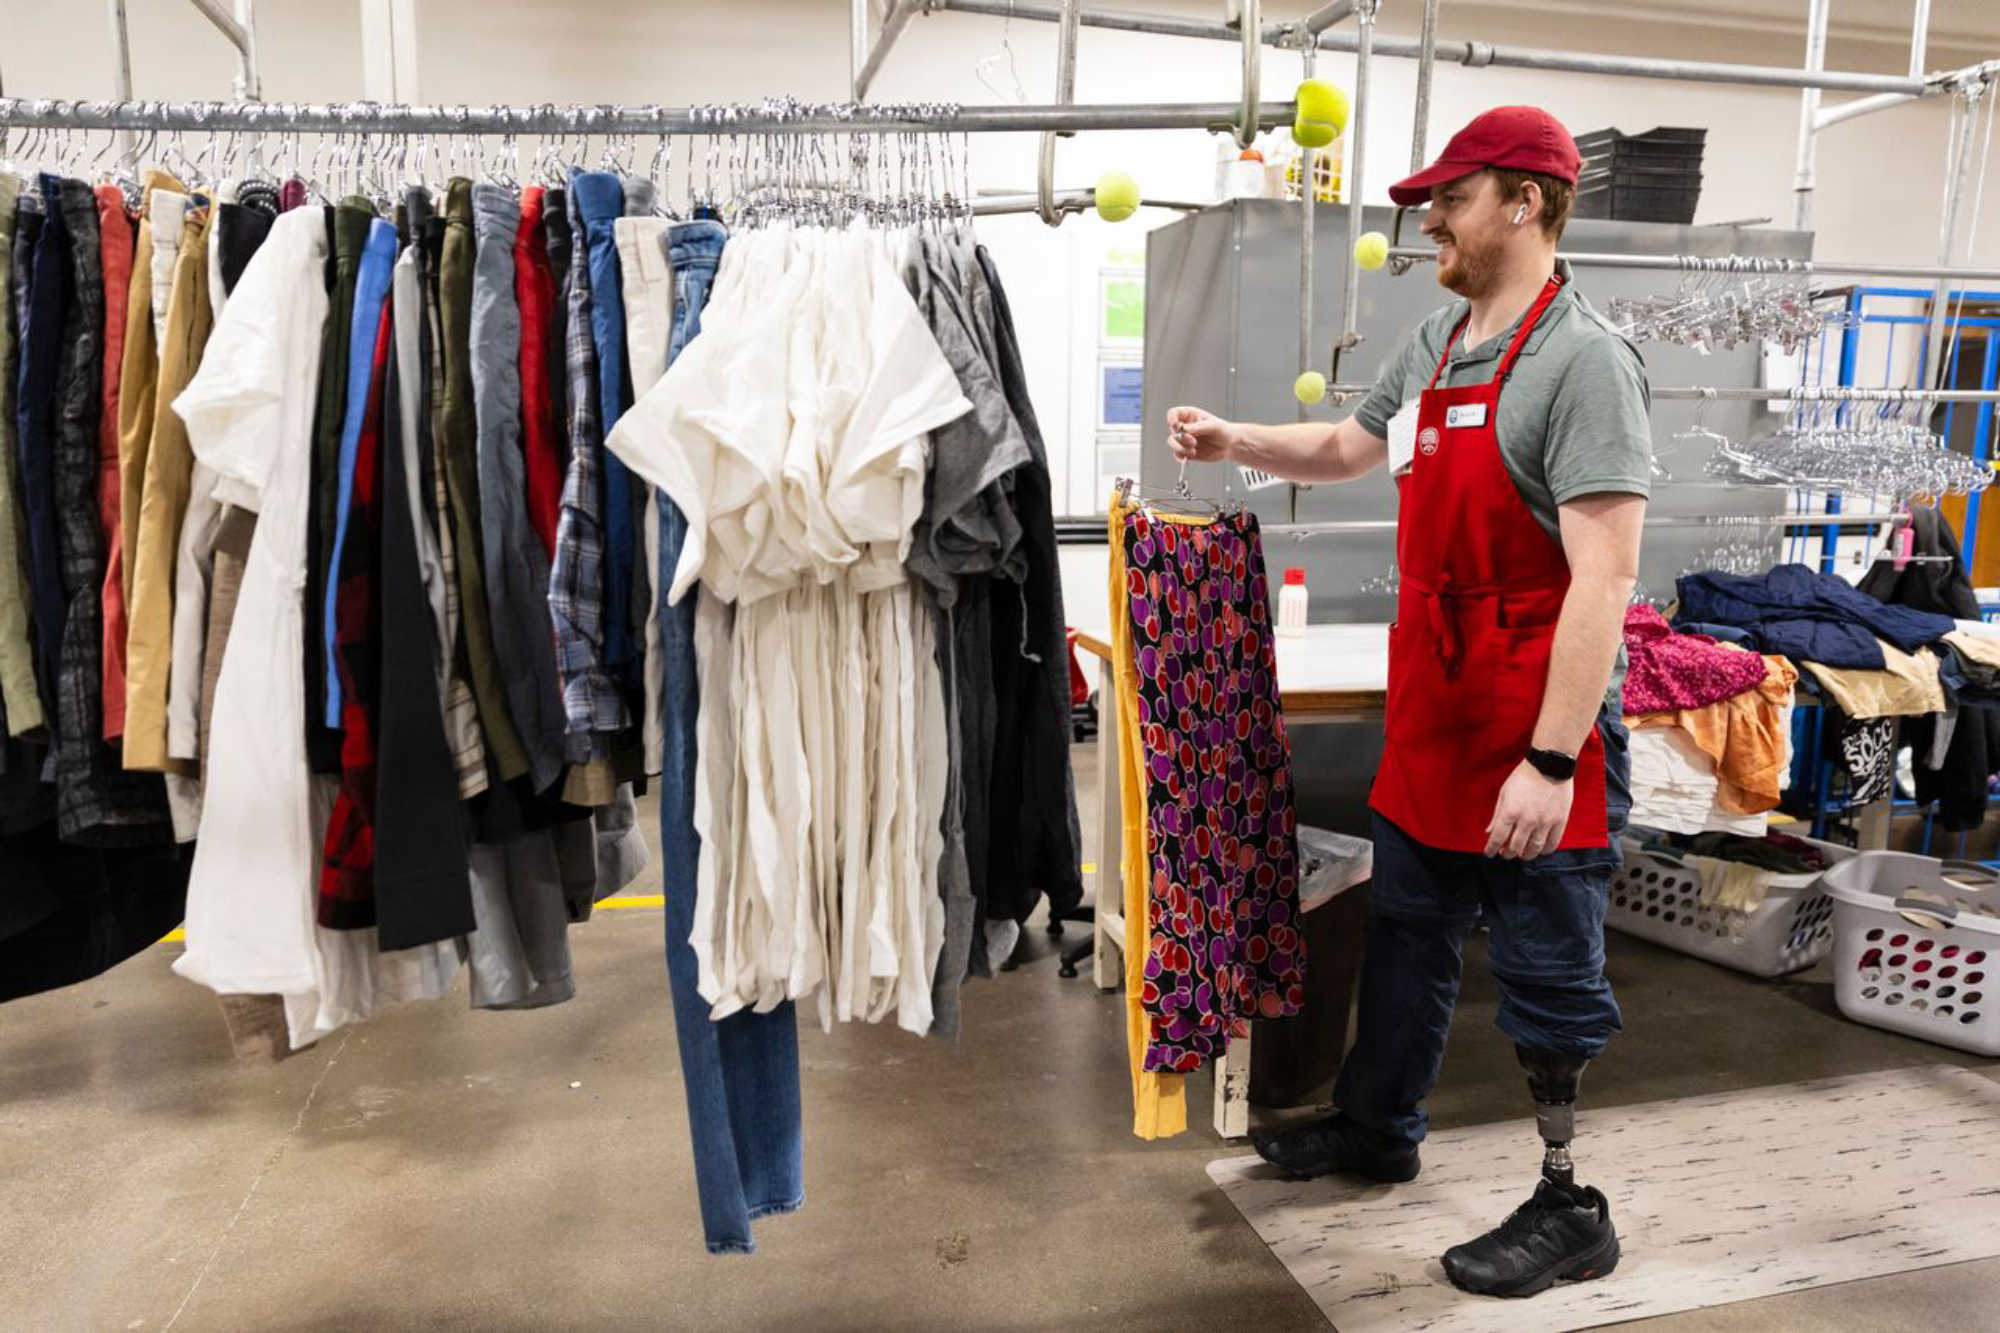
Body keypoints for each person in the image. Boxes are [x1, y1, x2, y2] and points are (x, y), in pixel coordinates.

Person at [1167, 106, 1650, 1300]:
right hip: (1434, 711)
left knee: (1545, 975)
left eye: (1451, 198)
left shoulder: (1582, 360)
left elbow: (1605, 576)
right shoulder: (1439, 340)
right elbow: (1346, 446)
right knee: (1404, 937)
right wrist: (1237, 439)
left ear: (1524, 203)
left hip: (1531, 725)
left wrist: (1549, 758)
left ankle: (1566, 1202)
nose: (1426, 219)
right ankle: (1380, 1125)